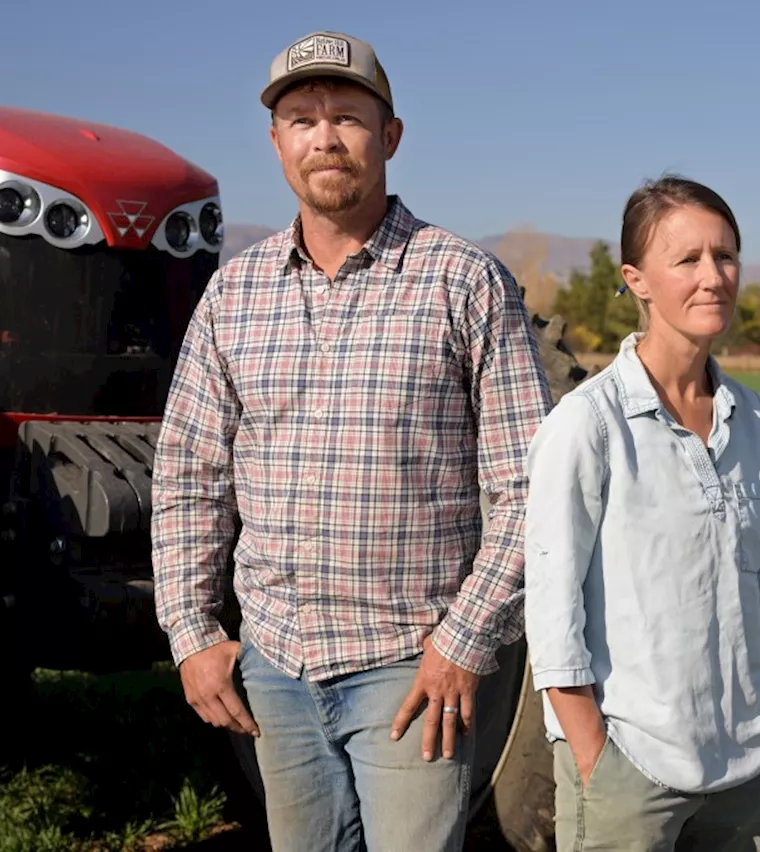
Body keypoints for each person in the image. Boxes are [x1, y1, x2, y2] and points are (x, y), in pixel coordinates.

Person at [151, 30, 552, 852]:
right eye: (302, 119)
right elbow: (189, 475)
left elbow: (531, 487)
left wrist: (462, 642)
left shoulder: (463, 282)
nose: (324, 138)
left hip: (412, 670)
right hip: (275, 669)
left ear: (390, 137)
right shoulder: (235, 294)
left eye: (347, 117)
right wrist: (191, 632)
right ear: (277, 142)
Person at [523, 175, 760, 850]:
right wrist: (595, 757)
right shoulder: (588, 424)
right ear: (636, 279)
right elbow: (553, 615)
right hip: (631, 769)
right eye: (688, 260)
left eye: (726, 256)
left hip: (747, 766)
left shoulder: (754, 419)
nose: (714, 277)